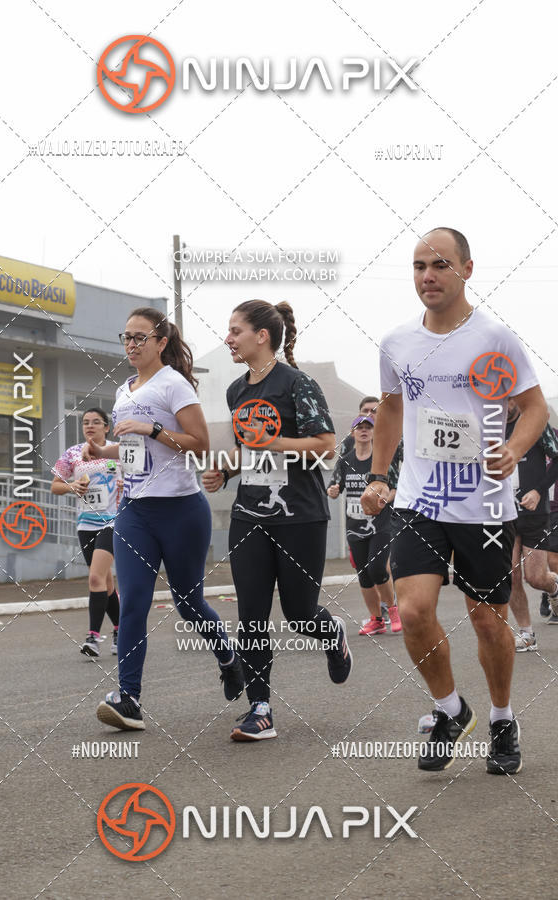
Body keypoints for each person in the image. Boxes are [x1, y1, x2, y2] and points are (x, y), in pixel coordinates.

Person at [362, 227, 547, 775]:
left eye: (440, 264)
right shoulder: (397, 342)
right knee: (414, 611)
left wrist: (514, 449)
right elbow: (391, 411)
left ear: (467, 269)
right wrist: (378, 476)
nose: (428, 276)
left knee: (488, 623)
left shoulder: (495, 339)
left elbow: (533, 408)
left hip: (485, 505)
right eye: (419, 266)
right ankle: (449, 709)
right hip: (421, 498)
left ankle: (502, 718)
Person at [86, 308, 243, 731]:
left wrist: (153, 428)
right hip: (135, 512)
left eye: (140, 337)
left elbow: (199, 443)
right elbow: (135, 449)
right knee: (134, 602)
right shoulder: (124, 390)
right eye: (127, 337)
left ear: (160, 342)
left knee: (189, 604)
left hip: (180, 510)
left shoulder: (173, 383)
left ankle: (229, 658)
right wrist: (104, 452)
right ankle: (129, 700)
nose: (131, 344)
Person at [203, 299, 351, 742]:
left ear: (261, 336)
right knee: (251, 615)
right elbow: (244, 448)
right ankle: (260, 708)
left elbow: (326, 445)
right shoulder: (236, 391)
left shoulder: (297, 384)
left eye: (235, 331)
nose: (228, 339)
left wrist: (275, 441)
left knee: (299, 613)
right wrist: (225, 469)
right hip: (249, 513)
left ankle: (331, 632)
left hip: (299, 515)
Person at [51, 408, 121, 657]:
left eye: (96, 422)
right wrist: (72, 486)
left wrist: (126, 484)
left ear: (106, 427)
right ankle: (120, 631)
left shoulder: (118, 451)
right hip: (86, 524)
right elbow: (55, 485)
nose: (90, 426)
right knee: (106, 582)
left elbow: (141, 476)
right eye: (85, 422)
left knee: (94, 578)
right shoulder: (72, 454)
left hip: (113, 522)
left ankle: (93, 638)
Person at [327, 414, 402, 635]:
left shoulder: (381, 460)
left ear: (373, 432)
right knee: (364, 574)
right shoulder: (345, 460)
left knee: (377, 568)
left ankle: (394, 611)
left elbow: (396, 488)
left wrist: (384, 499)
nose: (364, 430)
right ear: (352, 433)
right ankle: (376, 620)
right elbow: (335, 487)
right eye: (359, 427)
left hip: (379, 523)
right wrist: (332, 491)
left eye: (368, 427)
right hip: (354, 525)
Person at [506, 399, 558, 650]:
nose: (504, 403)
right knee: (511, 574)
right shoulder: (487, 427)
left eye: (509, 397)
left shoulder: (534, 421)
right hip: (503, 511)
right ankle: (526, 633)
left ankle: (554, 586)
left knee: (535, 578)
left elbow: (557, 458)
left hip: (533, 511)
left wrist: (538, 491)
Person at [540, 430, 558, 622]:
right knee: (549, 556)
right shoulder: (534, 435)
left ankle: (551, 593)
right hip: (541, 507)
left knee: (553, 555)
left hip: (555, 506)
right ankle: (549, 590)